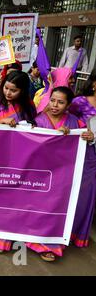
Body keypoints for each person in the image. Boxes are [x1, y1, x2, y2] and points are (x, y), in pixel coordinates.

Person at [29, 86, 92, 261]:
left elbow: (85, 137)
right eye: (53, 100)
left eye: (61, 102)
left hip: (64, 176)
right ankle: (34, 239)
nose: (55, 105)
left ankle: (50, 245)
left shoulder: (74, 122)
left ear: (68, 105)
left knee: (57, 208)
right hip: (41, 174)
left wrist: (86, 136)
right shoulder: (38, 120)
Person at [0, 70, 37, 253]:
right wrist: (1, 123)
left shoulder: (28, 107)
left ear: (22, 91)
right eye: (6, 88)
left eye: (13, 90)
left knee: (17, 198)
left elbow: (35, 127)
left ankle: (12, 235)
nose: (8, 93)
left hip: (22, 158)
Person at [68, 69, 96, 249]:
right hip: (85, 155)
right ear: (94, 83)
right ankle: (69, 232)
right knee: (82, 193)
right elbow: (66, 120)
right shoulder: (80, 102)